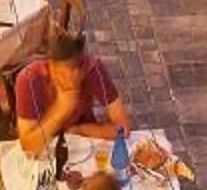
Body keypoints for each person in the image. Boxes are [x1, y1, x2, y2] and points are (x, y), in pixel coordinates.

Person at [13, 25, 128, 158]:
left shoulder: (93, 69)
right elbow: (29, 147)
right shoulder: (29, 79)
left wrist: (80, 130)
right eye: (61, 74)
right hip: (46, 149)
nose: (68, 80)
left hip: (85, 144)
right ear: (50, 66)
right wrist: (62, 110)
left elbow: (123, 129)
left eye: (74, 71)